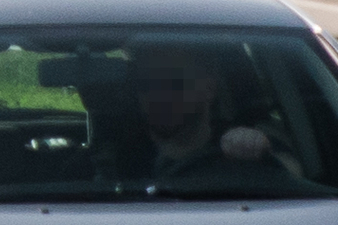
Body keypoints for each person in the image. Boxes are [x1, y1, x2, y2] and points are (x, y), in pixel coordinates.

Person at [122, 43, 297, 186]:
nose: (159, 94)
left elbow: (295, 174)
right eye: (146, 84)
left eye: (174, 82)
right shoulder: (121, 155)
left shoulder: (238, 142)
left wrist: (259, 150)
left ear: (209, 89)